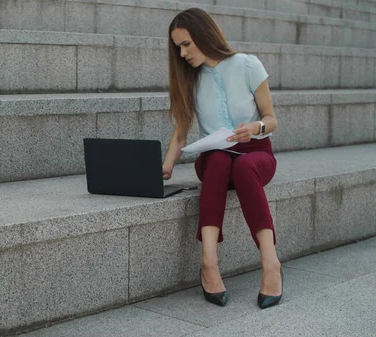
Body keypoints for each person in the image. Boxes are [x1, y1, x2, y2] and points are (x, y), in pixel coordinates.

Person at [162, 8, 283, 309]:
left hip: (255, 155)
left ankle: (271, 264)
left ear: (204, 35)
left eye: (186, 44)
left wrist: (255, 127)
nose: (182, 52)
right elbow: (180, 135)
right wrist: (165, 167)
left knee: (242, 165)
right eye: (178, 47)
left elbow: (271, 119)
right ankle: (209, 262)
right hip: (215, 161)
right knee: (217, 160)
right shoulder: (190, 79)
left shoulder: (247, 65)